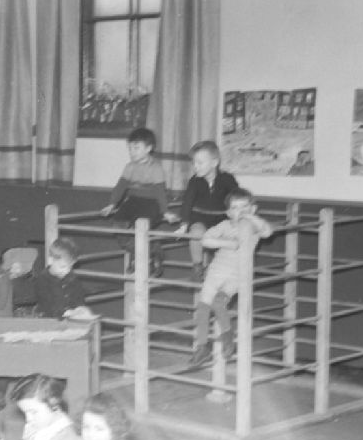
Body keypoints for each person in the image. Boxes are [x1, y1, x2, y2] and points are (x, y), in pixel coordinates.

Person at [187, 188, 273, 368]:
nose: (240, 211)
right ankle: (202, 346)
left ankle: (227, 337)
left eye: (244, 207)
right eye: (235, 208)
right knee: (203, 305)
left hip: (238, 274)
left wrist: (251, 218)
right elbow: (205, 240)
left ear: (253, 209)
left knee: (219, 302)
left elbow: (267, 231)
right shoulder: (225, 225)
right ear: (228, 212)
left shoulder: (253, 227)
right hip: (217, 270)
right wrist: (228, 243)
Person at [99, 128, 179, 277]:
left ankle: (139, 260)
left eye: (136, 148)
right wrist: (112, 204)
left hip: (151, 203)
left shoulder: (156, 168)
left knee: (139, 230)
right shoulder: (130, 167)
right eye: (130, 148)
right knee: (118, 227)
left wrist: (165, 211)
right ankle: (152, 250)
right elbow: (121, 186)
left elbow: (160, 192)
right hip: (133, 202)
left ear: (148, 148)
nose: (132, 152)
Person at [180, 141, 241, 281]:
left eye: (200, 163)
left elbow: (237, 198)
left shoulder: (227, 179)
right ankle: (197, 266)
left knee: (226, 240)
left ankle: (215, 268)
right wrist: (184, 223)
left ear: (214, 162)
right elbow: (187, 202)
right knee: (196, 233)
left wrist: (241, 217)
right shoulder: (194, 181)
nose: (195, 166)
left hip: (221, 219)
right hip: (199, 217)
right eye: (194, 163)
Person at [34, 238, 95, 320]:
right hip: (48, 321)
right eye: (62, 266)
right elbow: (47, 306)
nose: (66, 271)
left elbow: (78, 298)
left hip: (70, 320)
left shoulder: (72, 278)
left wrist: (80, 308)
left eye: (70, 267)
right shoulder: (42, 280)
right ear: (51, 260)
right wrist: (66, 313)